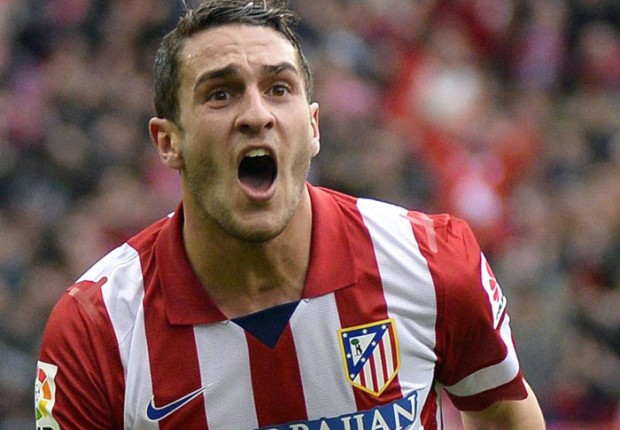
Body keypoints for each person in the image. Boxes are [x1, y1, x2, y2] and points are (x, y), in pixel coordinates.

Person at [35, 1, 546, 429]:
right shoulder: (96, 328)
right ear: (168, 142)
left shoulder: (430, 262)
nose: (257, 115)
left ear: (313, 126)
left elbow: (507, 417)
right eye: (220, 94)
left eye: (279, 89)